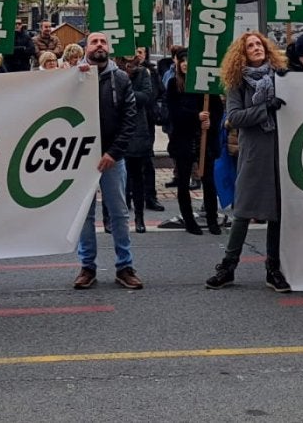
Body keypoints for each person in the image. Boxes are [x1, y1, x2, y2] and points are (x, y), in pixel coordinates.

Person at [205, 31, 291, 292]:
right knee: (243, 209)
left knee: (277, 211)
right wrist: (265, 109)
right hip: (254, 150)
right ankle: (228, 266)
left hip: (281, 147)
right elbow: (234, 117)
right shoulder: (237, 83)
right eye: (250, 45)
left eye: (259, 44)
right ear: (242, 54)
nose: (256, 48)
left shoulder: (281, 77)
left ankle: (273, 268)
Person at [72, 32, 143, 291]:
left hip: (113, 158)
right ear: (86, 48)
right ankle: (87, 267)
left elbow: (129, 119)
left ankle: (125, 266)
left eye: (103, 42)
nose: (99, 46)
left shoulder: (121, 79)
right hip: (82, 159)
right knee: (85, 216)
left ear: (109, 49)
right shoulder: (73, 76)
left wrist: (113, 152)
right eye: (94, 42)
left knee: (119, 214)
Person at [162, 46, 223, 235]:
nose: (186, 64)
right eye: (182, 60)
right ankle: (189, 220)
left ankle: (212, 219)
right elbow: (173, 112)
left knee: (208, 180)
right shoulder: (174, 84)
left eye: (189, 60)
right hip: (183, 139)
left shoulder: (205, 85)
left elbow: (217, 109)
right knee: (183, 180)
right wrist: (195, 116)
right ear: (178, 63)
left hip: (205, 139)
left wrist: (210, 121)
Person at [122, 56, 158, 232]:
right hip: (115, 128)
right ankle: (115, 217)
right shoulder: (113, 69)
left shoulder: (143, 72)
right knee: (118, 177)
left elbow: (146, 97)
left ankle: (139, 217)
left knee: (137, 176)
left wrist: (124, 90)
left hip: (136, 129)